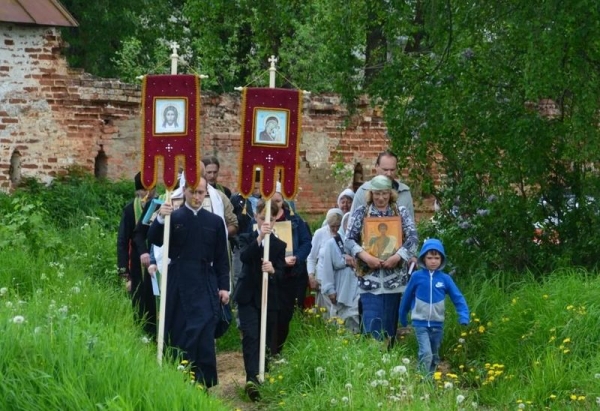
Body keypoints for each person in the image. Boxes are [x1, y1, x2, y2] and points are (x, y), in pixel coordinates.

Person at [147, 177, 230, 389]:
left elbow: (221, 257)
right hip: (178, 281)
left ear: (206, 194)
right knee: (180, 329)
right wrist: (160, 219)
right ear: (184, 191)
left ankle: (203, 381)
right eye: (193, 192)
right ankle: (180, 378)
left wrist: (224, 287)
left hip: (205, 280)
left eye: (201, 192)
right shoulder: (173, 217)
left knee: (204, 329)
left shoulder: (214, 222)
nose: (196, 196)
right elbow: (154, 239)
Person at [345, 175, 418, 347]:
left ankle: (387, 364)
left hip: (394, 280)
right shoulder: (361, 212)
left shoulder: (400, 212)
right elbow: (349, 240)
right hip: (370, 279)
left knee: (389, 326)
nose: (381, 198)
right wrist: (365, 256)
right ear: (371, 194)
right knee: (372, 324)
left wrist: (398, 256)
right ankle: (372, 363)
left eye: (384, 193)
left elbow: (413, 238)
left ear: (390, 193)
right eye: (377, 194)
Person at [233, 200, 287, 402]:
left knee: (265, 338)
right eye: (263, 217)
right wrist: (260, 237)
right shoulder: (246, 238)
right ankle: (251, 380)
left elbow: (282, 274)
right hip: (248, 296)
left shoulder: (280, 245)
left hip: (268, 299)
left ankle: (263, 376)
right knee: (250, 336)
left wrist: (273, 270)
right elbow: (245, 258)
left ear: (276, 220)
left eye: (271, 219)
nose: (267, 222)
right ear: (256, 216)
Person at [399, 238, 470, 376]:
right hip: (420, 323)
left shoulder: (445, 279)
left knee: (434, 354)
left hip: (437, 324)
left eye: (436, 258)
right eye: (430, 257)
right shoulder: (416, 277)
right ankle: (423, 381)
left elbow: (458, 298)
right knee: (426, 353)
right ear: (423, 258)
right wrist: (402, 315)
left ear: (441, 260)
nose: (433, 261)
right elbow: (407, 297)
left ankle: (430, 378)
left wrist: (463, 315)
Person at [270, 188, 312, 355]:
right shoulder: (261, 220)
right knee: (270, 314)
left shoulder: (294, 219)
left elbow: (306, 242)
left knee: (285, 315)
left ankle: (277, 349)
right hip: (271, 275)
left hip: (290, 274)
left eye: (278, 201)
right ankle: (269, 351)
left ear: (283, 202)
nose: (274, 205)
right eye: (271, 201)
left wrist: (297, 257)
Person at [117, 172, 157, 337]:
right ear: (137, 192)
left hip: (156, 263)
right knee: (139, 300)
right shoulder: (130, 209)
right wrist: (124, 273)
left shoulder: (159, 205)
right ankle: (142, 336)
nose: (147, 194)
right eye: (143, 191)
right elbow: (122, 241)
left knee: (154, 301)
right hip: (136, 265)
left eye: (150, 189)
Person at [319, 211, 360, 333]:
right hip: (342, 288)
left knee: (356, 316)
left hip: (358, 287)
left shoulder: (362, 242)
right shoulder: (332, 244)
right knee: (342, 320)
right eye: (348, 225)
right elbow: (327, 269)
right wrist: (330, 290)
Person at [350, 150, 415, 221]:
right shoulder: (363, 191)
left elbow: (411, 224)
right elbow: (352, 224)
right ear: (377, 167)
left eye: (392, 170)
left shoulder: (404, 192)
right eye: (385, 170)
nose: (389, 173)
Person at [307, 208, 344, 315]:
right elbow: (312, 258)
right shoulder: (320, 234)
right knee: (325, 314)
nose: (336, 229)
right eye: (333, 226)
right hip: (322, 280)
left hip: (340, 281)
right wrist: (311, 277)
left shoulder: (344, 235)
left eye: (338, 226)